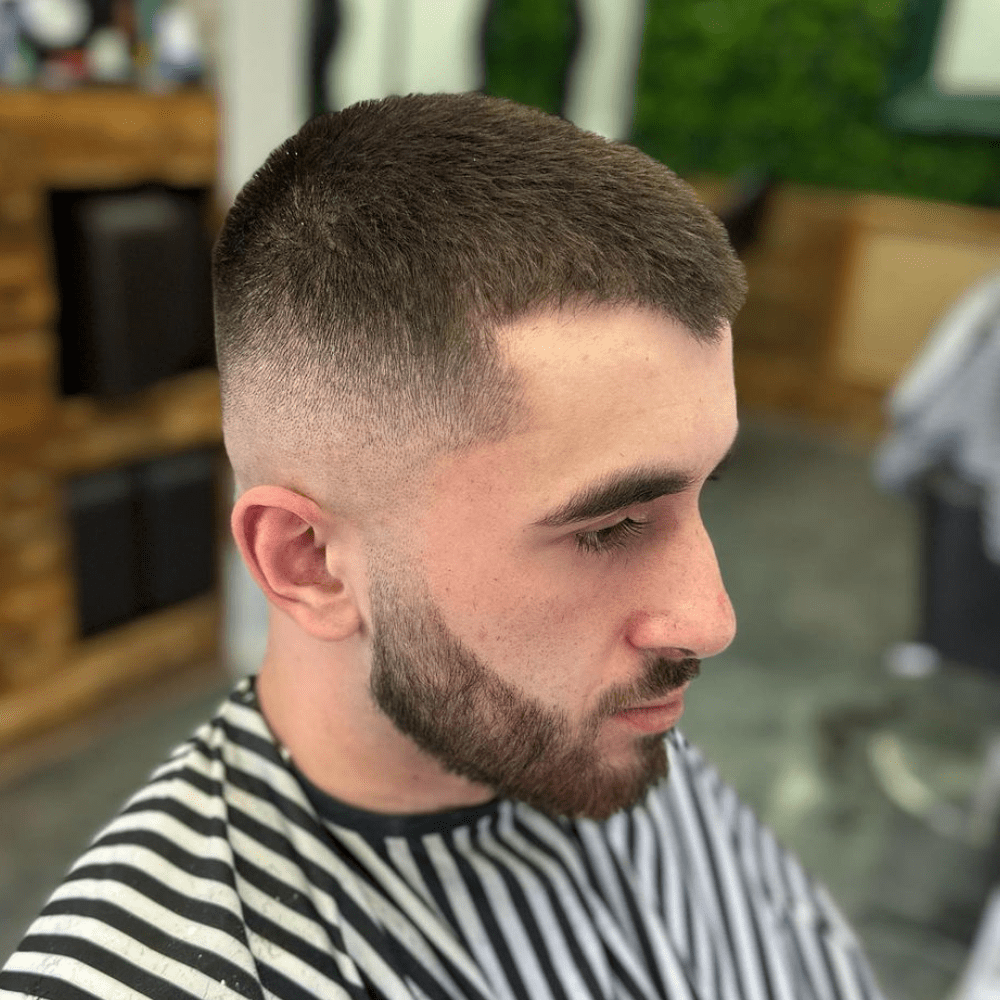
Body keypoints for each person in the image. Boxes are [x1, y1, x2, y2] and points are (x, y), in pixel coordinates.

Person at [0, 92, 883, 1000]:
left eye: (707, 492)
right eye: (611, 525)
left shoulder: (595, 729)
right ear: (309, 561)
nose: (711, 621)